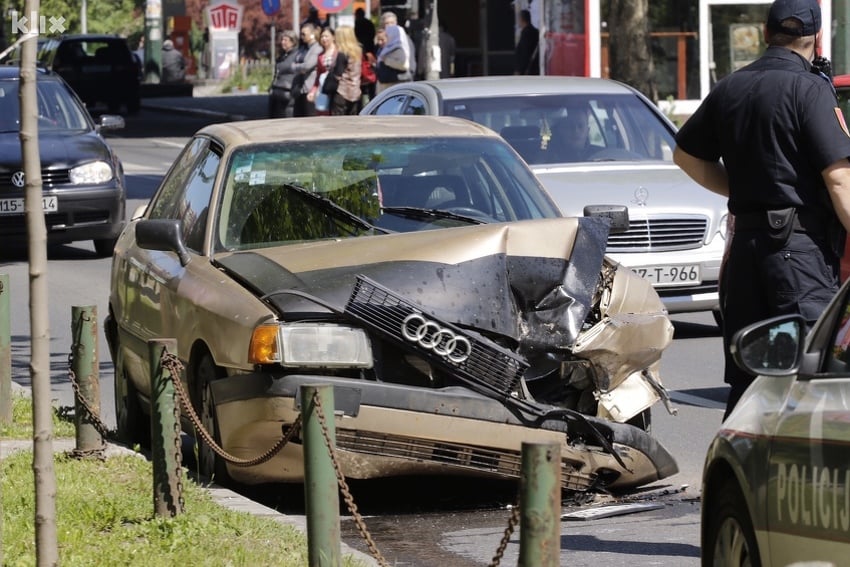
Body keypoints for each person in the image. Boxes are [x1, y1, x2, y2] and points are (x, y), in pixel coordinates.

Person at [673, 0, 850, 420]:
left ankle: (734, 479)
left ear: (766, 33)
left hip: (745, 255)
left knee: (749, 376)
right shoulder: (810, 89)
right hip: (799, 256)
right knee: (806, 373)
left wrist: (748, 189)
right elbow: (839, 179)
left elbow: (686, 156)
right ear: (815, 38)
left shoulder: (731, 86)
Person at [291, 23, 323, 117]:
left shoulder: (317, 48)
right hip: (300, 88)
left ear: (312, 34)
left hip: (309, 87)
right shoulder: (303, 48)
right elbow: (293, 64)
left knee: (309, 115)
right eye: (301, 34)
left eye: (304, 34)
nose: (302, 37)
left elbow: (308, 66)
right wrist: (298, 68)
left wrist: (297, 67)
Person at [268, 29, 299, 118]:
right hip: (277, 91)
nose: (282, 42)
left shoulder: (297, 56)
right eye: (282, 40)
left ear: (293, 42)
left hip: (288, 92)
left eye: (285, 40)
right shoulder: (282, 56)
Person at [375, 24, 413, 94]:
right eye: (378, 39)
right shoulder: (383, 49)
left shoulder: (397, 49)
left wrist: (386, 60)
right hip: (385, 86)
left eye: (383, 39)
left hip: (395, 85)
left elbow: (404, 65)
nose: (380, 42)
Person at [381, 11, 416, 80]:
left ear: (396, 23)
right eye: (387, 23)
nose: (390, 26)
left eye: (392, 23)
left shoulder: (404, 39)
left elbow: (409, 61)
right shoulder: (382, 39)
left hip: (401, 79)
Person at [514, 9, 539, 75]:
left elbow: (525, 53)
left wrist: (520, 69)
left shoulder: (526, 33)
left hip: (528, 70)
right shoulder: (535, 31)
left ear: (522, 19)